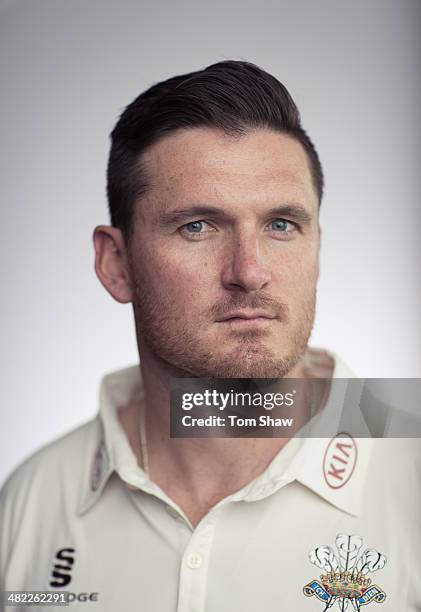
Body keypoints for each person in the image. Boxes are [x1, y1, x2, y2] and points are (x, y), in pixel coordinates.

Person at [0, 61, 420, 611]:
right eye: (197, 226)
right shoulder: (30, 503)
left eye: (281, 225)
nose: (249, 271)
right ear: (117, 264)